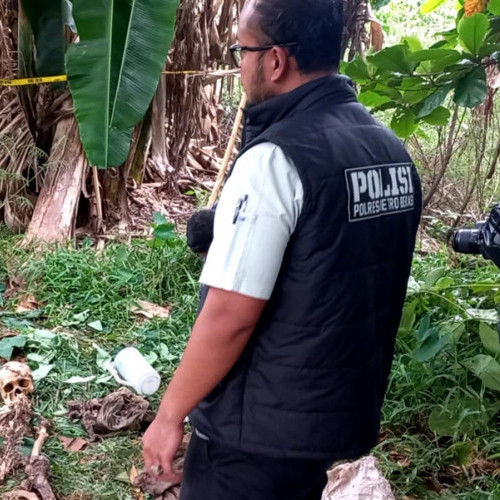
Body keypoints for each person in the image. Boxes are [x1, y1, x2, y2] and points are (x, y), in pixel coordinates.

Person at [142, 0, 422, 499]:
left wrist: (169, 415)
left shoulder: (276, 158)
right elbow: (335, 260)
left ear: (275, 60)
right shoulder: (388, 150)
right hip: (330, 417)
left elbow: (232, 314)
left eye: (242, 51)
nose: (240, 65)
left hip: (257, 432)